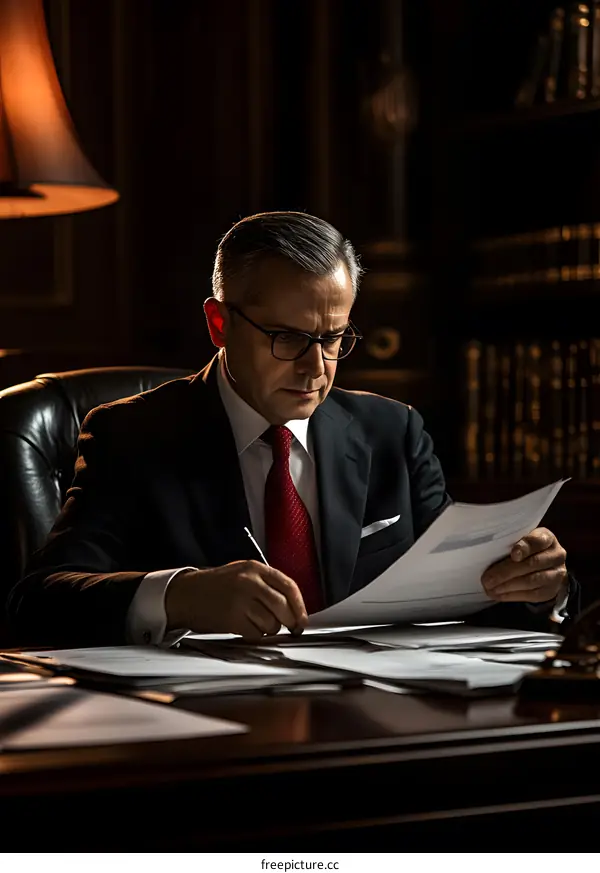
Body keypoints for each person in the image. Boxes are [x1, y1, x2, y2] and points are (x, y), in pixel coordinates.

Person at [6, 211, 577, 648]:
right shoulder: (132, 436)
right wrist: (179, 595)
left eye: (333, 339)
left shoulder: (392, 432)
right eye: (288, 338)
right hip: (207, 735)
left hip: (375, 723)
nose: (315, 368)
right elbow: (37, 603)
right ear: (219, 323)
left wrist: (537, 587)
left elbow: (460, 590)